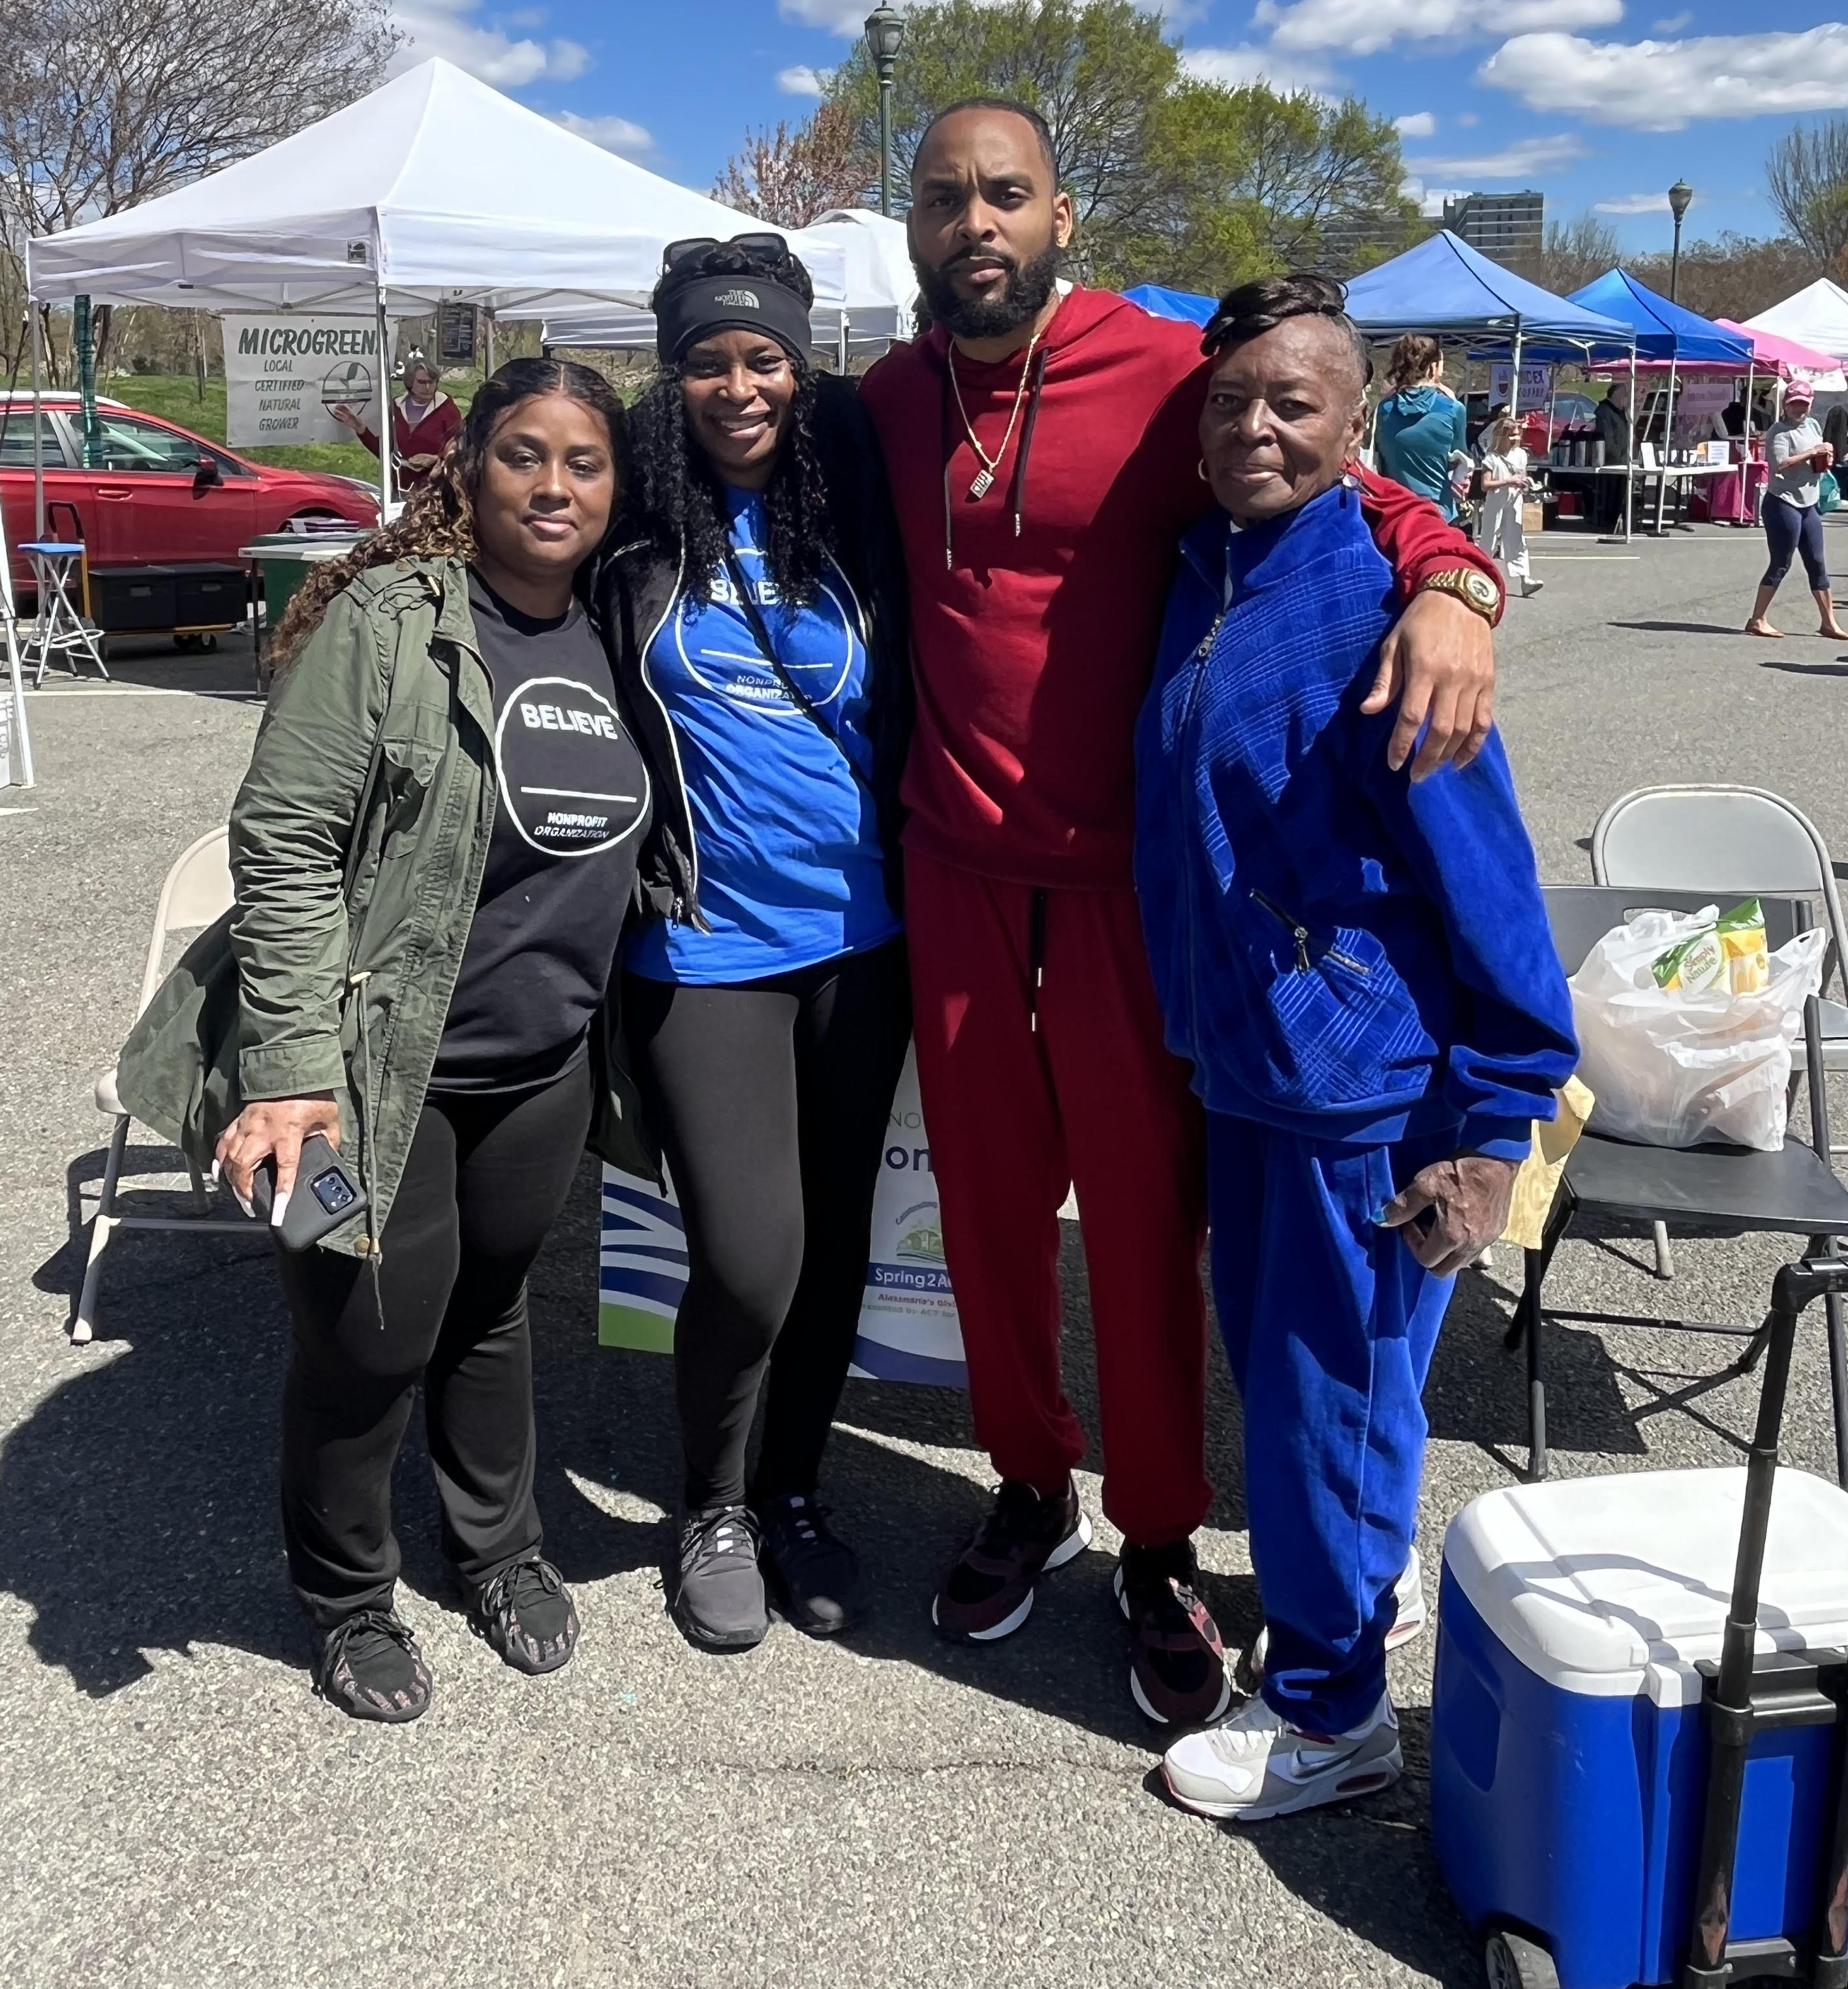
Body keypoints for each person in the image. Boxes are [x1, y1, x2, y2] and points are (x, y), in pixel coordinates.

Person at [858, 99, 1502, 1731]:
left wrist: (1454, 582)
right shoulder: (879, 397)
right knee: (990, 1223)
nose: (976, 223)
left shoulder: (1158, 376)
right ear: (915, 222)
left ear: (1063, 217)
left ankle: (1153, 1540)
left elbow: (1342, 478)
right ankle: (1026, 1488)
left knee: (1144, 1234)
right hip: (954, 869)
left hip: (1132, 896)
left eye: (1007, 195)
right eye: (946, 199)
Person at [117, 360, 664, 1722]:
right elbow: (285, 842)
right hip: (375, 1073)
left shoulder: (620, 623)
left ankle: (499, 1548)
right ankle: (348, 1594)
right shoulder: (395, 619)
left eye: (584, 462)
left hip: (542, 1061)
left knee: (488, 1316)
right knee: (367, 1343)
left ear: (616, 485)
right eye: (523, 455)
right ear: (468, 468)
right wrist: (294, 1066)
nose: (554, 485)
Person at [1133, 275, 1576, 1821]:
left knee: (1332, 1388)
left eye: (1294, 403)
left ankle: (1332, 1715)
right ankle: (1343, 1616)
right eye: (1234, 399)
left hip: (1361, 1087)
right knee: (1321, 1379)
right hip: (1251, 1066)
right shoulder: (1214, 565)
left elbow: (1492, 883)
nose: (1257, 425)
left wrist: (1498, 1116)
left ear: (1354, 426)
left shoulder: (1390, 608)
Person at [596, 236, 913, 1655]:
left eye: (764, 357)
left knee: (836, 1236)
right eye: (709, 360)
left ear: (802, 367)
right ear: (673, 377)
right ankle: (708, 1503)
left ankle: (791, 1492)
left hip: (866, 934)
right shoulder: (629, 524)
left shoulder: (854, 510)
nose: (739, 384)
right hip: (705, 940)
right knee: (747, 1251)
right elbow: (476, 538)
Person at [1745, 378, 1846, 640]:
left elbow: (1818, 455)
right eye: (1793, 405)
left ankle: (1829, 623)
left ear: (1810, 405)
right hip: (1783, 503)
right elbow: (1781, 464)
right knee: (1781, 562)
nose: (1798, 409)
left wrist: (1826, 456)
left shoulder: (1812, 424)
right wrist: (1813, 451)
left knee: (1817, 562)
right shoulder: (1779, 431)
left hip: (1809, 502)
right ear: (1785, 405)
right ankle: (1757, 619)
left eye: (1803, 404)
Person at [1372, 335, 1468, 521]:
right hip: (1439, 513)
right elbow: (1459, 458)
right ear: (1433, 368)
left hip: (1394, 513)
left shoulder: (1384, 410)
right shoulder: (1454, 409)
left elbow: (1381, 460)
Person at [337, 352, 463, 491]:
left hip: (435, 490)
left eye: (431, 382)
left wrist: (435, 459)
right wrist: (360, 428)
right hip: (399, 489)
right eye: (421, 382)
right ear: (409, 382)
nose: (427, 388)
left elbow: (460, 451)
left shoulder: (447, 411)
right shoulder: (396, 408)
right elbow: (384, 452)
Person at [1474, 409, 1540, 596]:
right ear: (1502, 436)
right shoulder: (1492, 459)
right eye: (1512, 435)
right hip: (1496, 502)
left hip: (1514, 502)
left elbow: (1522, 477)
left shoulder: (1521, 455)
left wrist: (1527, 485)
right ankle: (1481, 577)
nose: (1516, 438)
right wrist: (1508, 482)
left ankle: (1525, 579)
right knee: (1489, 540)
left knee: (1517, 540)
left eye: (1517, 434)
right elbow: (1486, 484)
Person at [1594, 380, 1632, 534]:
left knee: (1620, 492)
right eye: (1624, 394)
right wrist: (1619, 456)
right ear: (1617, 394)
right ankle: (1607, 520)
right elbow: (1607, 439)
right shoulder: (1604, 411)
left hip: (1623, 462)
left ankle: (1616, 519)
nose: (1627, 398)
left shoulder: (1621, 411)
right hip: (1610, 462)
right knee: (1610, 493)